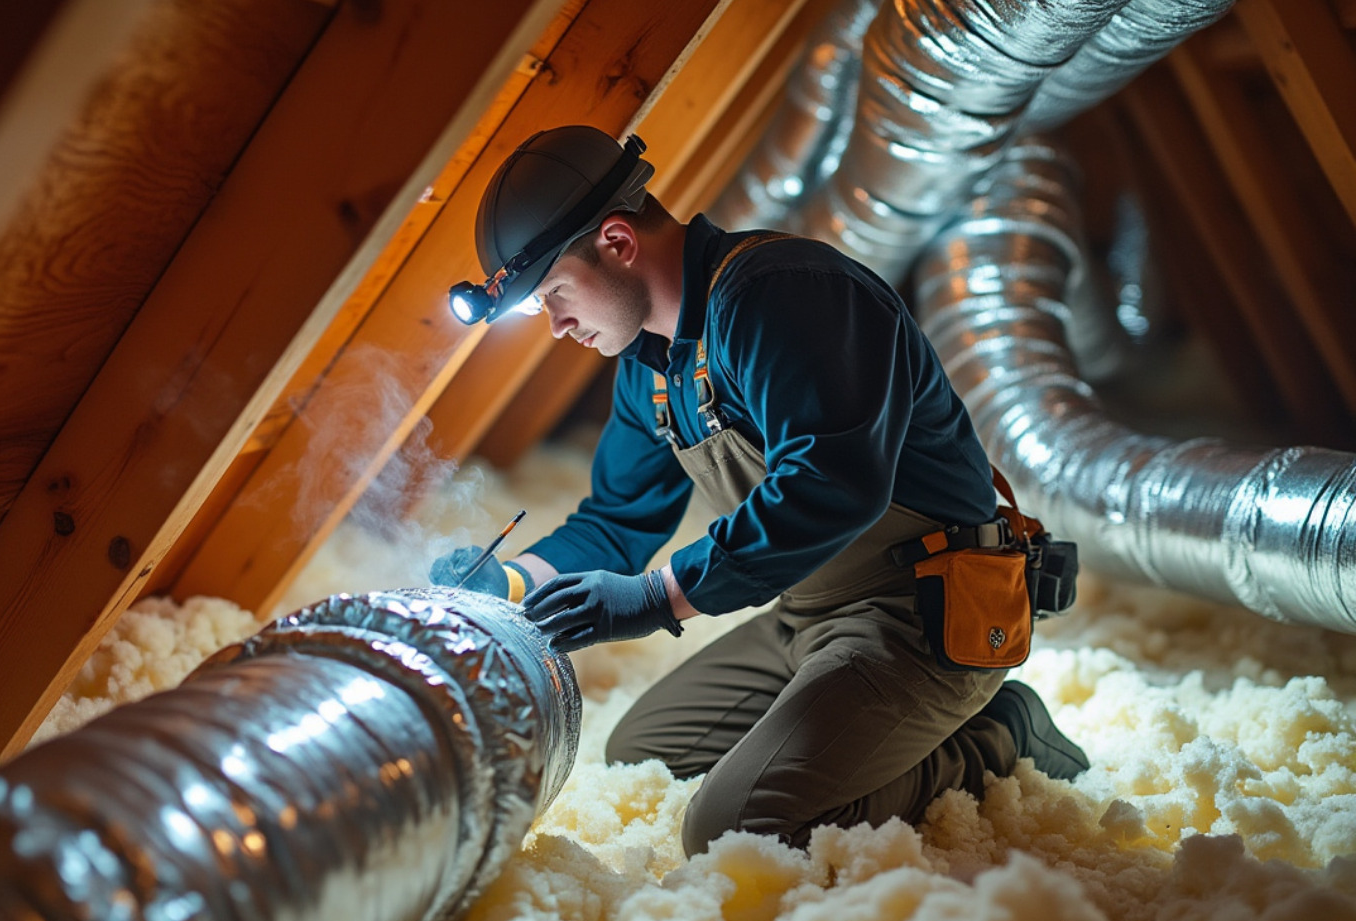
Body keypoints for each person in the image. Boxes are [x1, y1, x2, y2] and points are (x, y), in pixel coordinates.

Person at [433, 125, 1087, 856]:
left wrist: (657, 596)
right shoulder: (649, 365)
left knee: (738, 829)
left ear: (617, 242)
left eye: (554, 293)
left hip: (923, 614)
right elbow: (618, 520)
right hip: (807, 612)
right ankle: (864, 720)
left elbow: (831, 487)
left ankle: (996, 739)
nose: (556, 326)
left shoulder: (784, 295)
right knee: (645, 753)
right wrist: (510, 581)